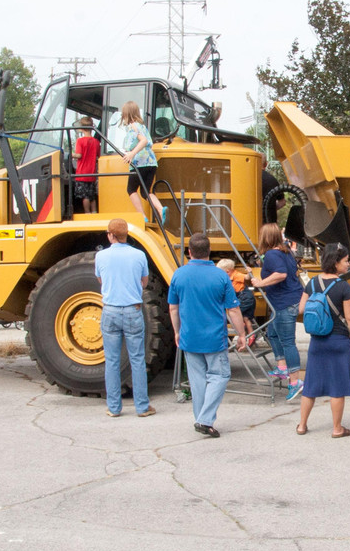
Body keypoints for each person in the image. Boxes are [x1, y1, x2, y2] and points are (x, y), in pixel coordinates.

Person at [168, 233, 247, 438]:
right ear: (209, 251)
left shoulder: (179, 274)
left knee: (197, 381)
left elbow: (173, 309)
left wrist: (177, 331)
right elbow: (233, 310)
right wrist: (242, 334)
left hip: (189, 336)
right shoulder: (221, 276)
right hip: (214, 338)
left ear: (189, 252)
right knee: (220, 376)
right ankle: (204, 420)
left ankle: (201, 418)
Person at [296, 243, 350, 437]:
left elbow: (301, 309)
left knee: (310, 385)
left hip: (317, 340)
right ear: (335, 262)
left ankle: (301, 425)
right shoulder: (343, 286)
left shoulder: (312, 283)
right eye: (345, 261)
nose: (348, 264)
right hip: (339, 340)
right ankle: (337, 429)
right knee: (337, 386)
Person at [94, 218, 155, 418]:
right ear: (126, 234)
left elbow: (101, 281)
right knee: (137, 359)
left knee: (111, 360)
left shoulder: (100, 256)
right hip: (132, 310)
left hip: (110, 310)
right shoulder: (139, 255)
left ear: (110, 235)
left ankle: (113, 408)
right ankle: (142, 407)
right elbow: (144, 282)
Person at [253, 223, 304, 401]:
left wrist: (260, 283)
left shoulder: (272, 254)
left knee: (288, 342)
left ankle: (295, 381)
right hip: (287, 300)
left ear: (266, 237)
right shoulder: (285, 251)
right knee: (272, 333)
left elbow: (280, 274)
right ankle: (282, 367)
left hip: (284, 302)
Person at [119, 101, 165, 226]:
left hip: (139, 163)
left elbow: (143, 141)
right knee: (146, 192)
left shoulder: (133, 126)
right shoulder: (143, 126)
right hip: (151, 162)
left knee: (131, 189)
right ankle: (160, 208)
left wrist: (131, 154)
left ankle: (142, 216)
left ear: (127, 114)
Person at [216, 259, 258, 344]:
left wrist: (250, 272)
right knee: (246, 318)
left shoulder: (236, 275)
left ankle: (241, 329)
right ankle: (252, 334)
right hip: (245, 297)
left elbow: (246, 277)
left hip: (244, 297)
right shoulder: (229, 276)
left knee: (234, 314)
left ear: (229, 271)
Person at [73, 116, 99, 214]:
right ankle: (94, 212)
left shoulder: (80, 141)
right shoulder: (96, 142)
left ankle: (87, 213)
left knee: (85, 196)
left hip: (82, 173)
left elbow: (79, 155)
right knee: (92, 195)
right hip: (92, 173)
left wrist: (70, 154)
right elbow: (98, 157)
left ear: (81, 128)